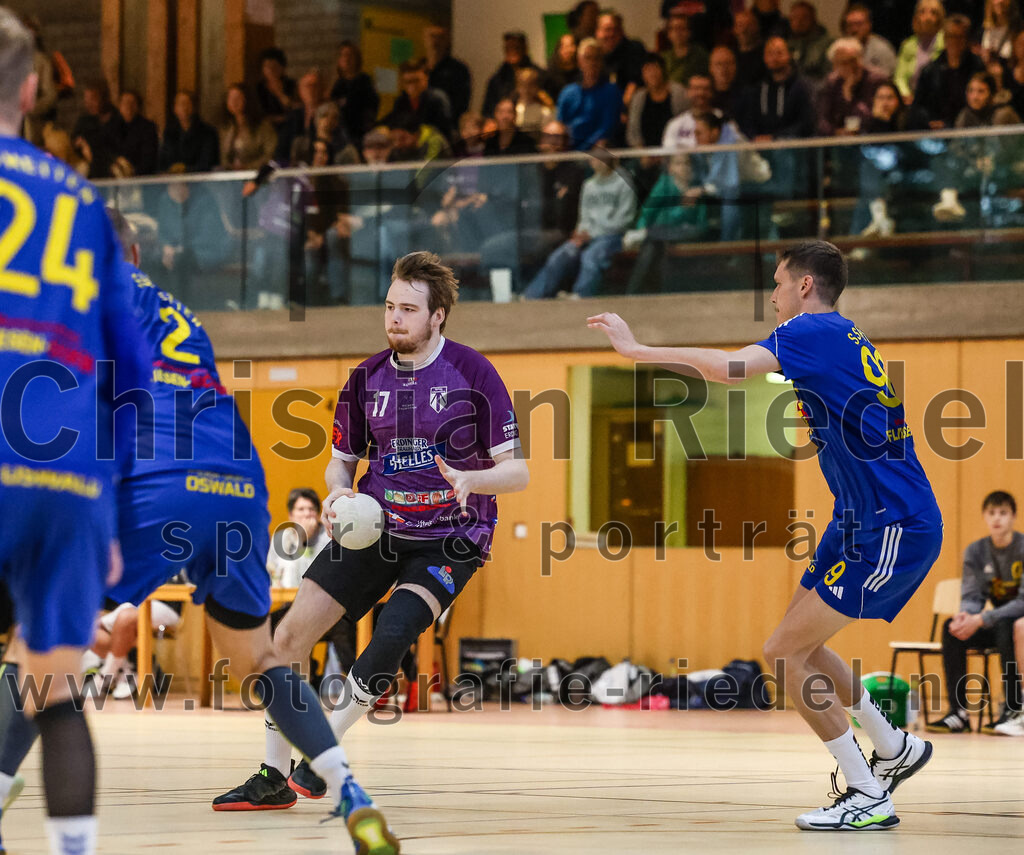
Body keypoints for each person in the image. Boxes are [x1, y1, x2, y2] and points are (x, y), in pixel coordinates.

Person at [589, 240, 943, 831]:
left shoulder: (810, 331)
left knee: (780, 654)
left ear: (804, 286)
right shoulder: (842, 335)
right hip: (859, 516)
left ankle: (867, 794)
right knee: (800, 645)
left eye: (777, 284)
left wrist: (636, 350)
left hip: (891, 520)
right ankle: (893, 749)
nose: (772, 295)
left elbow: (729, 369)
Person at [213, 250, 529, 808]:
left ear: (438, 317)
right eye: (389, 306)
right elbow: (342, 461)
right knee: (285, 639)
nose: (394, 318)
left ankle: (323, 751)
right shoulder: (366, 378)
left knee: (393, 631)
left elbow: (518, 470)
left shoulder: (473, 371)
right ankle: (271, 775)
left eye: (408, 308)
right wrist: (337, 492)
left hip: (453, 535)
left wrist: (474, 478)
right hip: (376, 526)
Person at [0, 13, 150, 855]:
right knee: (56, 691)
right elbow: (132, 369)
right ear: (29, 90)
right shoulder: (84, 201)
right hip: (64, 471)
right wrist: (112, 505)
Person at [928, 491, 1023, 735]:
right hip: (996, 622)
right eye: (992, 513)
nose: (997, 519)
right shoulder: (976, 552)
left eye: (1003, 513)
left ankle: (1012, 709)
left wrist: (981, 619)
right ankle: (958, 712)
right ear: (984, 516)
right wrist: (965, 617)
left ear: (1013, 516)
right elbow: (972, 596)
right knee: (952, 629)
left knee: (1007, 626)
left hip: (1017, 625)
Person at [523, 149, 636, 299]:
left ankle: (581, 295)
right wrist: (580, 232)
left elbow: (625, 220)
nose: (593, 161)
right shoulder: (589, 185)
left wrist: (593, 234)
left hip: (613, 237)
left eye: (597, 158)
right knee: (561, 255)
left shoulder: (624, 183)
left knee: (590, 257)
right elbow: (584, 216)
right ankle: (532, 296)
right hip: (588, 236)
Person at [911, 14, 985, 129]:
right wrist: (930, 121)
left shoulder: (978, 67)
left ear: (967, 39)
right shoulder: (930, 71)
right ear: (945, 38)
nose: (955, 41)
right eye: (951, 36)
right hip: (937, 132)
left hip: (969, 128)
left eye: (960, 37)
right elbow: (918, 106)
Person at [556, 38, 623, 150]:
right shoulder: (567, 93)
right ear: (579, 61)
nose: (592, 63)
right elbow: (560, 125)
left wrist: (583, 151)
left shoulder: (611, 92)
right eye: (587, 58)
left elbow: (606, 129)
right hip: (568, 153)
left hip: (597, 152)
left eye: (596, 58)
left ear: (601, 62)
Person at [816, 38, 886, 136]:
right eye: (843, 62)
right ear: (834, 65)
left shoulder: (877, 80)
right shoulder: (831, 82)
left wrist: (849, 96)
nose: (849, 66)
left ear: (861, 59)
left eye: (852, 61)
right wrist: (837, 132)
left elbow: (871, 121)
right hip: (837, 141)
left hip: (870, 138)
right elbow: (821, 121)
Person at [383, 58, 454, 143]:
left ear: (426, 79)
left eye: (416, 81)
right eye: (407, 82)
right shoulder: (401, 101)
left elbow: (442, 132)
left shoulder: (437, 99)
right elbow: (393, 123)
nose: (412, 86)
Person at [329, 40, 380, 144]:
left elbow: (371, 106)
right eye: (343, 55)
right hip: (341, 134)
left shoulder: (364, 81)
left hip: (360, 133)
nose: (346, 59)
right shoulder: (337, 85)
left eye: (350, 55)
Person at [71, 78, 123, 178]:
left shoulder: (118, 120)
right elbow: (75, 141)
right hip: (90, 168)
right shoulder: (84, 121)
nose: (89, 104)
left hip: (111, 166)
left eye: (93, 99)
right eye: (87, 100)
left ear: (105, 98)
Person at [483, 31, 543, 117]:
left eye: (516, 47)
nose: (512, 51)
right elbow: (487, 110)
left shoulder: (539, 75)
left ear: (525, 49)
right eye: (508, 48)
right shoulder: (497, 79)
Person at [895, 0, 945, 102]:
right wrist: (905, 94)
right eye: (922, 12)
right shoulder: (908, 45)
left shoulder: (945, 43)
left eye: (933, 13)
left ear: (940, 18)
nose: (927, 18)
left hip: (938, 99)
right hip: (910, 99)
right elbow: (899, 77)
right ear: (916, 17)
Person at [219, 82, 277, 171]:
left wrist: (249, 167)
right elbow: (223, 157)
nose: (234, 102)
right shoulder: (225, 128)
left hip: (256, 175)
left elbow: (270, 155)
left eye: (238, 98)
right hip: (230, 177)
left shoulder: (263, 127)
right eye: (230, 98)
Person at [158, 90, 219, 172]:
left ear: (194, 107)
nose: (184, 108)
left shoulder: (207, 132)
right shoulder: (170, 132)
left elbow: (207, 161)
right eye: (180, 104)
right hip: (173, 180)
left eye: (187, 103)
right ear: (175, 108)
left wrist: (185, 169)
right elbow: (163, 160)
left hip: (200, 179)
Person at [596, 10, 648, 105]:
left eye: (615, 29)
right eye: (607, 30)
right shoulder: (594, 55)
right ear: (597, 32)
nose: (611, 34)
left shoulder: (634, 49)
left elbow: (634, 83)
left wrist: (622, 108)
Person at [425, 25, 471, 121]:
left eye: (440, 37)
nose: (435, 42)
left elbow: (461, 105)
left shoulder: (458, 70)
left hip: (447, 127)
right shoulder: (420, 68)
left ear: (447, 41)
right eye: (432, 36)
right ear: (425, 39)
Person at [661, 73, 719, 149]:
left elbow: (736, 149)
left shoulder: (724, 120)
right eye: (696, 88)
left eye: (706, 89)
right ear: (688, 92)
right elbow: (668, 155)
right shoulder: (675, 124)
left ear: (712, 92)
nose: (700, 93)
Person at [843, 3, 898, 77]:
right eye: (850, 25)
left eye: (859, 24)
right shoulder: (841, 48)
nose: (854, 29)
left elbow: (885, 81)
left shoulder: (882, 50)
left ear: (868, 25)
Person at [113, 88, 158, 175]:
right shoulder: (112, 126)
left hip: (139, 177)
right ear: (119, 106)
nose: (128, 106)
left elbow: (149, 159)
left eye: (132, 103)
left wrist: (131, 172)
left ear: (138, 106)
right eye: (125, 103)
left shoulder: (148, 128)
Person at [787, 1, 834, 84]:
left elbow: (829, 75)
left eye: (804, 18)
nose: (799, 22)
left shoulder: (827, 44)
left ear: (813, 19)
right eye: (794, 18)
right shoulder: (788, 45)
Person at [661, 12, 710, 86]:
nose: (678, 33)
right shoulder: (663, 58)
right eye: (674, 29)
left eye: (682, 28)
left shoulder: (700, 55)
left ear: (689, 32)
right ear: (668, 34)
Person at [254, 46, 297, 126]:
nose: (271, 70)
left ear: (282, 68)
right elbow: (258, 114)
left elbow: (296, 110)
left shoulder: (291, 85)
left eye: (275, 66)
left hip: (290, 126)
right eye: (267, 66)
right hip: (266, 128)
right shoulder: (259, 88)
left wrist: (280, 94)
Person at [514, 67, 556, 136]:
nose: (526, 90)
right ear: (517, 87)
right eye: (523, 85)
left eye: (530, 85)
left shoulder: (545, 111)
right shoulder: (512, 109)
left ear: (537, 87)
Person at [709, 45, 742, 118]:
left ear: (735, 67)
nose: (724, 69)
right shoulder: (706, 96)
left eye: (728, 63)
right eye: (719, 64)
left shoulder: (747, 96)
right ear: (711, 68)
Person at [547, 32, 579, 98]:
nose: (568, 50)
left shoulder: (583, 73)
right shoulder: (551, 75)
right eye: (564, 47)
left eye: (571, 46)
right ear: (558, 50)